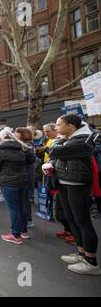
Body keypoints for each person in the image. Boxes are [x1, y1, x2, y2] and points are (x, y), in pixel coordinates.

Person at [48, 114, 101, 275]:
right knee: (72, 219)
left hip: (77, 184)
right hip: (65, 181)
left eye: (58, 125)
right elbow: (57, 155)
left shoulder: (84, 139)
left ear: (70, 126)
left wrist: (58, 141)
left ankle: (91, 262)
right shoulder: (70, 137)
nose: (56, 128)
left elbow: (55, 150)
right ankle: (81, 253)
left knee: (83, 221)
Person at [0, 128, 35, 245]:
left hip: (8, 182)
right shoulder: (22, 147)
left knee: (13, 208)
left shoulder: (0, 149)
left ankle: (15, 235)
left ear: (1, 138)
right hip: (22, 181)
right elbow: (32, 160)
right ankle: (24, 231)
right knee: (22, 207)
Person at [15, 127, 36, 228]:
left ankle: (28, 219)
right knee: (23, 198)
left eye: (17, 132)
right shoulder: (26, 145)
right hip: (25, 174)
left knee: (25, 199)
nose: (15, 134)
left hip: (26, 175)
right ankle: (26, 219)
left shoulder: (27, 146)